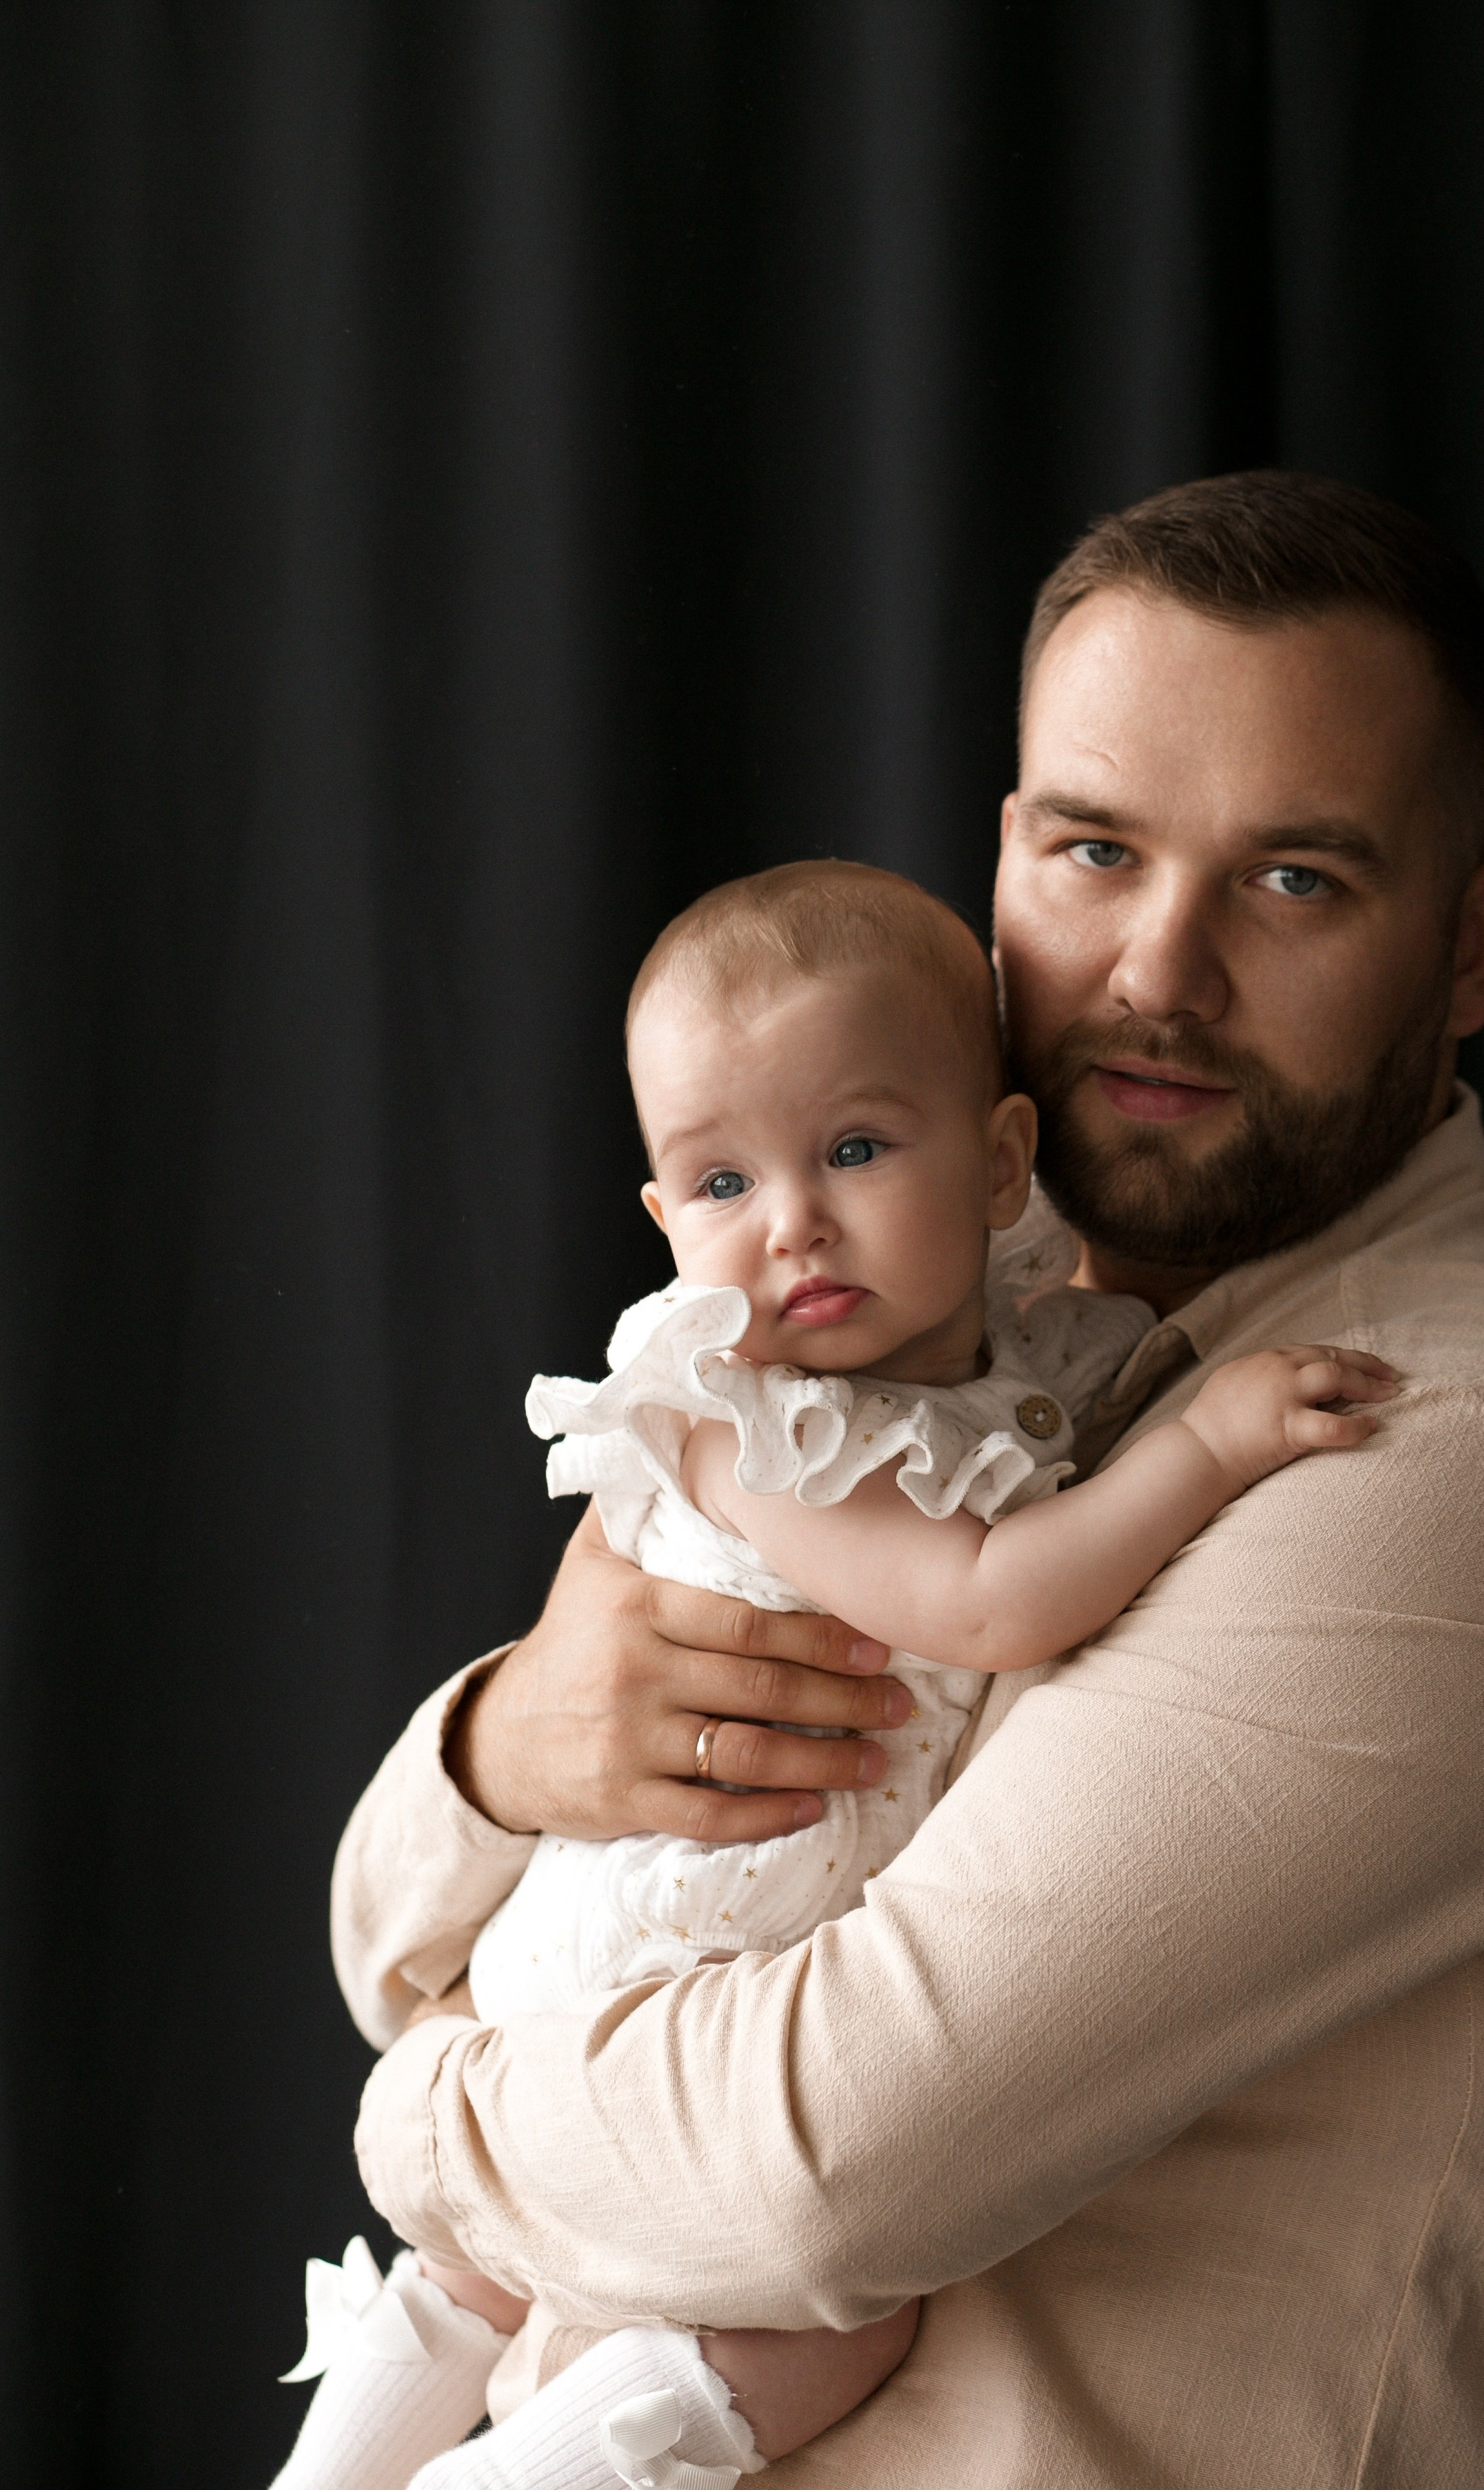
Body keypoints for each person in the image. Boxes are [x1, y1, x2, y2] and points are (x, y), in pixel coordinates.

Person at [335, 473, 1484, 2488]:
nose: (1159, 968)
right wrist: (516, 1743)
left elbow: (827, 2170)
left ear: (1471, 951)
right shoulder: (937, 1347)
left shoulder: (1470, 1452)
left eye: (1295, 880)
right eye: (1093, 849)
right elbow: (388, 1912)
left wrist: (422, 2117)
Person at [273, 859, 1392, 2490]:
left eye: (856, 1150)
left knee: (484, 2271)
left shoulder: (1002, 1356)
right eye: (719, 1185)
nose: (793, 1224)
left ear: (1004, 1159)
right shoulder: (757, 1417)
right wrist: (1209, 1447)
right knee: (831, 2330)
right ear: (662, 1226)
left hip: (701, 1938)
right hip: (670, 1951)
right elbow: (992, 1601)